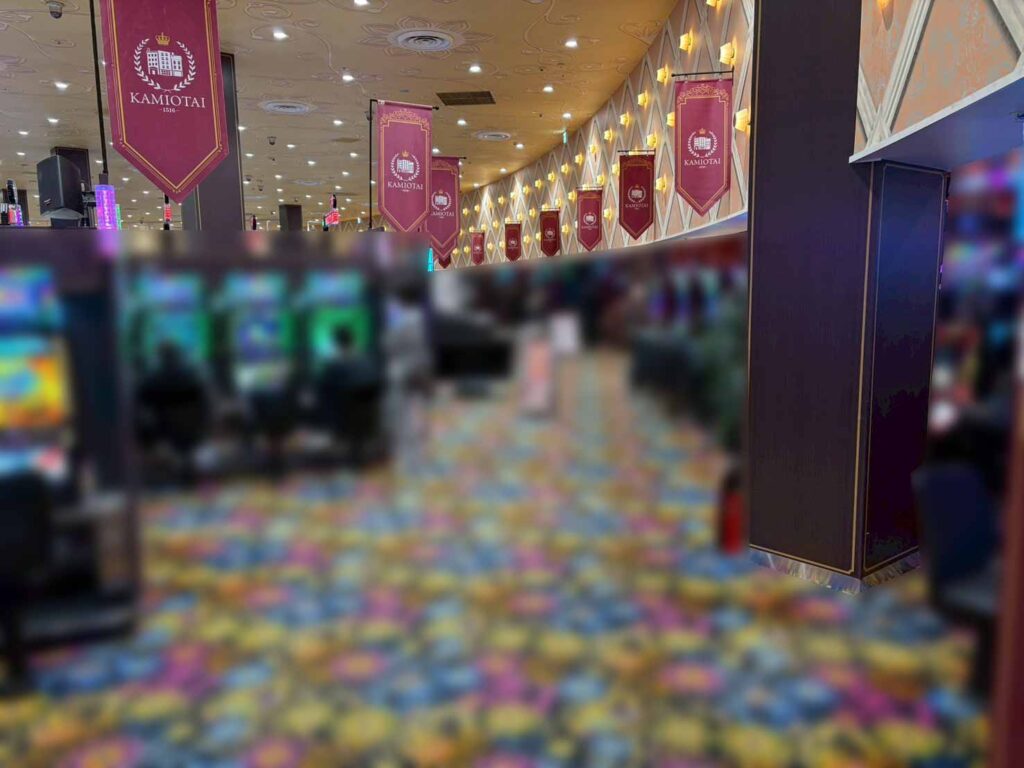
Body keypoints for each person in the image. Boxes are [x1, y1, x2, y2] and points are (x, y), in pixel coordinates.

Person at [136, 341, 210, 480]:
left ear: (160, 357)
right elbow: (206, 408)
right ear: (178, 356)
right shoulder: (194, 378)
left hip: (163, 435)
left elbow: (141, 412)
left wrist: (149, 439)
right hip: (194, 434)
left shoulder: (150, 381)